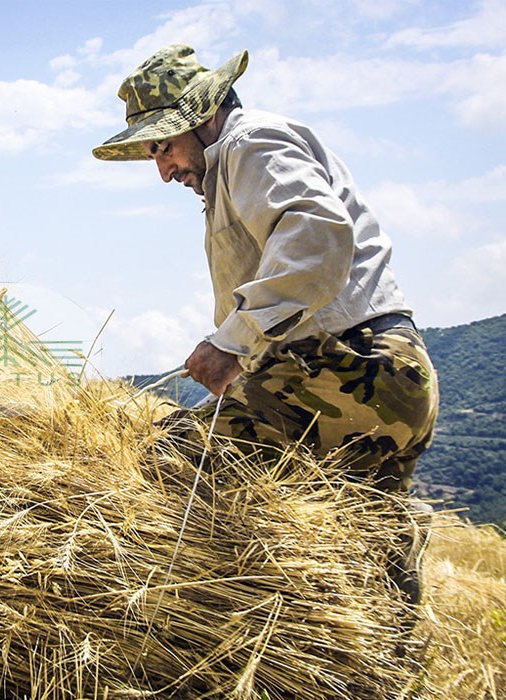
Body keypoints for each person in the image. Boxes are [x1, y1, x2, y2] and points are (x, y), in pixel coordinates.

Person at [93, 44, 439, 607]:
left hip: (346, 365)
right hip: (392, 373)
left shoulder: (248, 144)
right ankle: (387, 670)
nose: (163, 170)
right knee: (372, 543)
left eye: (163, 147)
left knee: (171, 455)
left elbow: (316, 234)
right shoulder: (233, 163)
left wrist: (231, 341)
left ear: (202, 118)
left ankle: (184, 619)